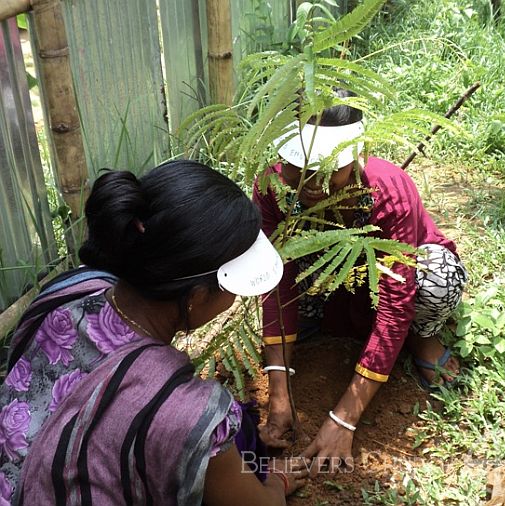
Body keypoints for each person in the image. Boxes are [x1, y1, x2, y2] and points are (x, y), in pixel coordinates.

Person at [0, 160, 309, 505]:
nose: (236, 298)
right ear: (195, 297)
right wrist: (277, 484)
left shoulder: (70, 290)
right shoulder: (183, 411)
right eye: (232, 288)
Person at [253, 91, 468, 474]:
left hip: (394, 278)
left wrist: (344, 418)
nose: (310, 183)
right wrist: (279, 394)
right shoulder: (273, 189)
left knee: (437, 280)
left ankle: (422, 334)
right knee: (284, 284)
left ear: (355, 156)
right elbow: (276, 281)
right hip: (329, 278)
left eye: (326, 168)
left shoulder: (388, 189)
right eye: (297, 166)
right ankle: (334, 322)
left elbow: (397, 298)